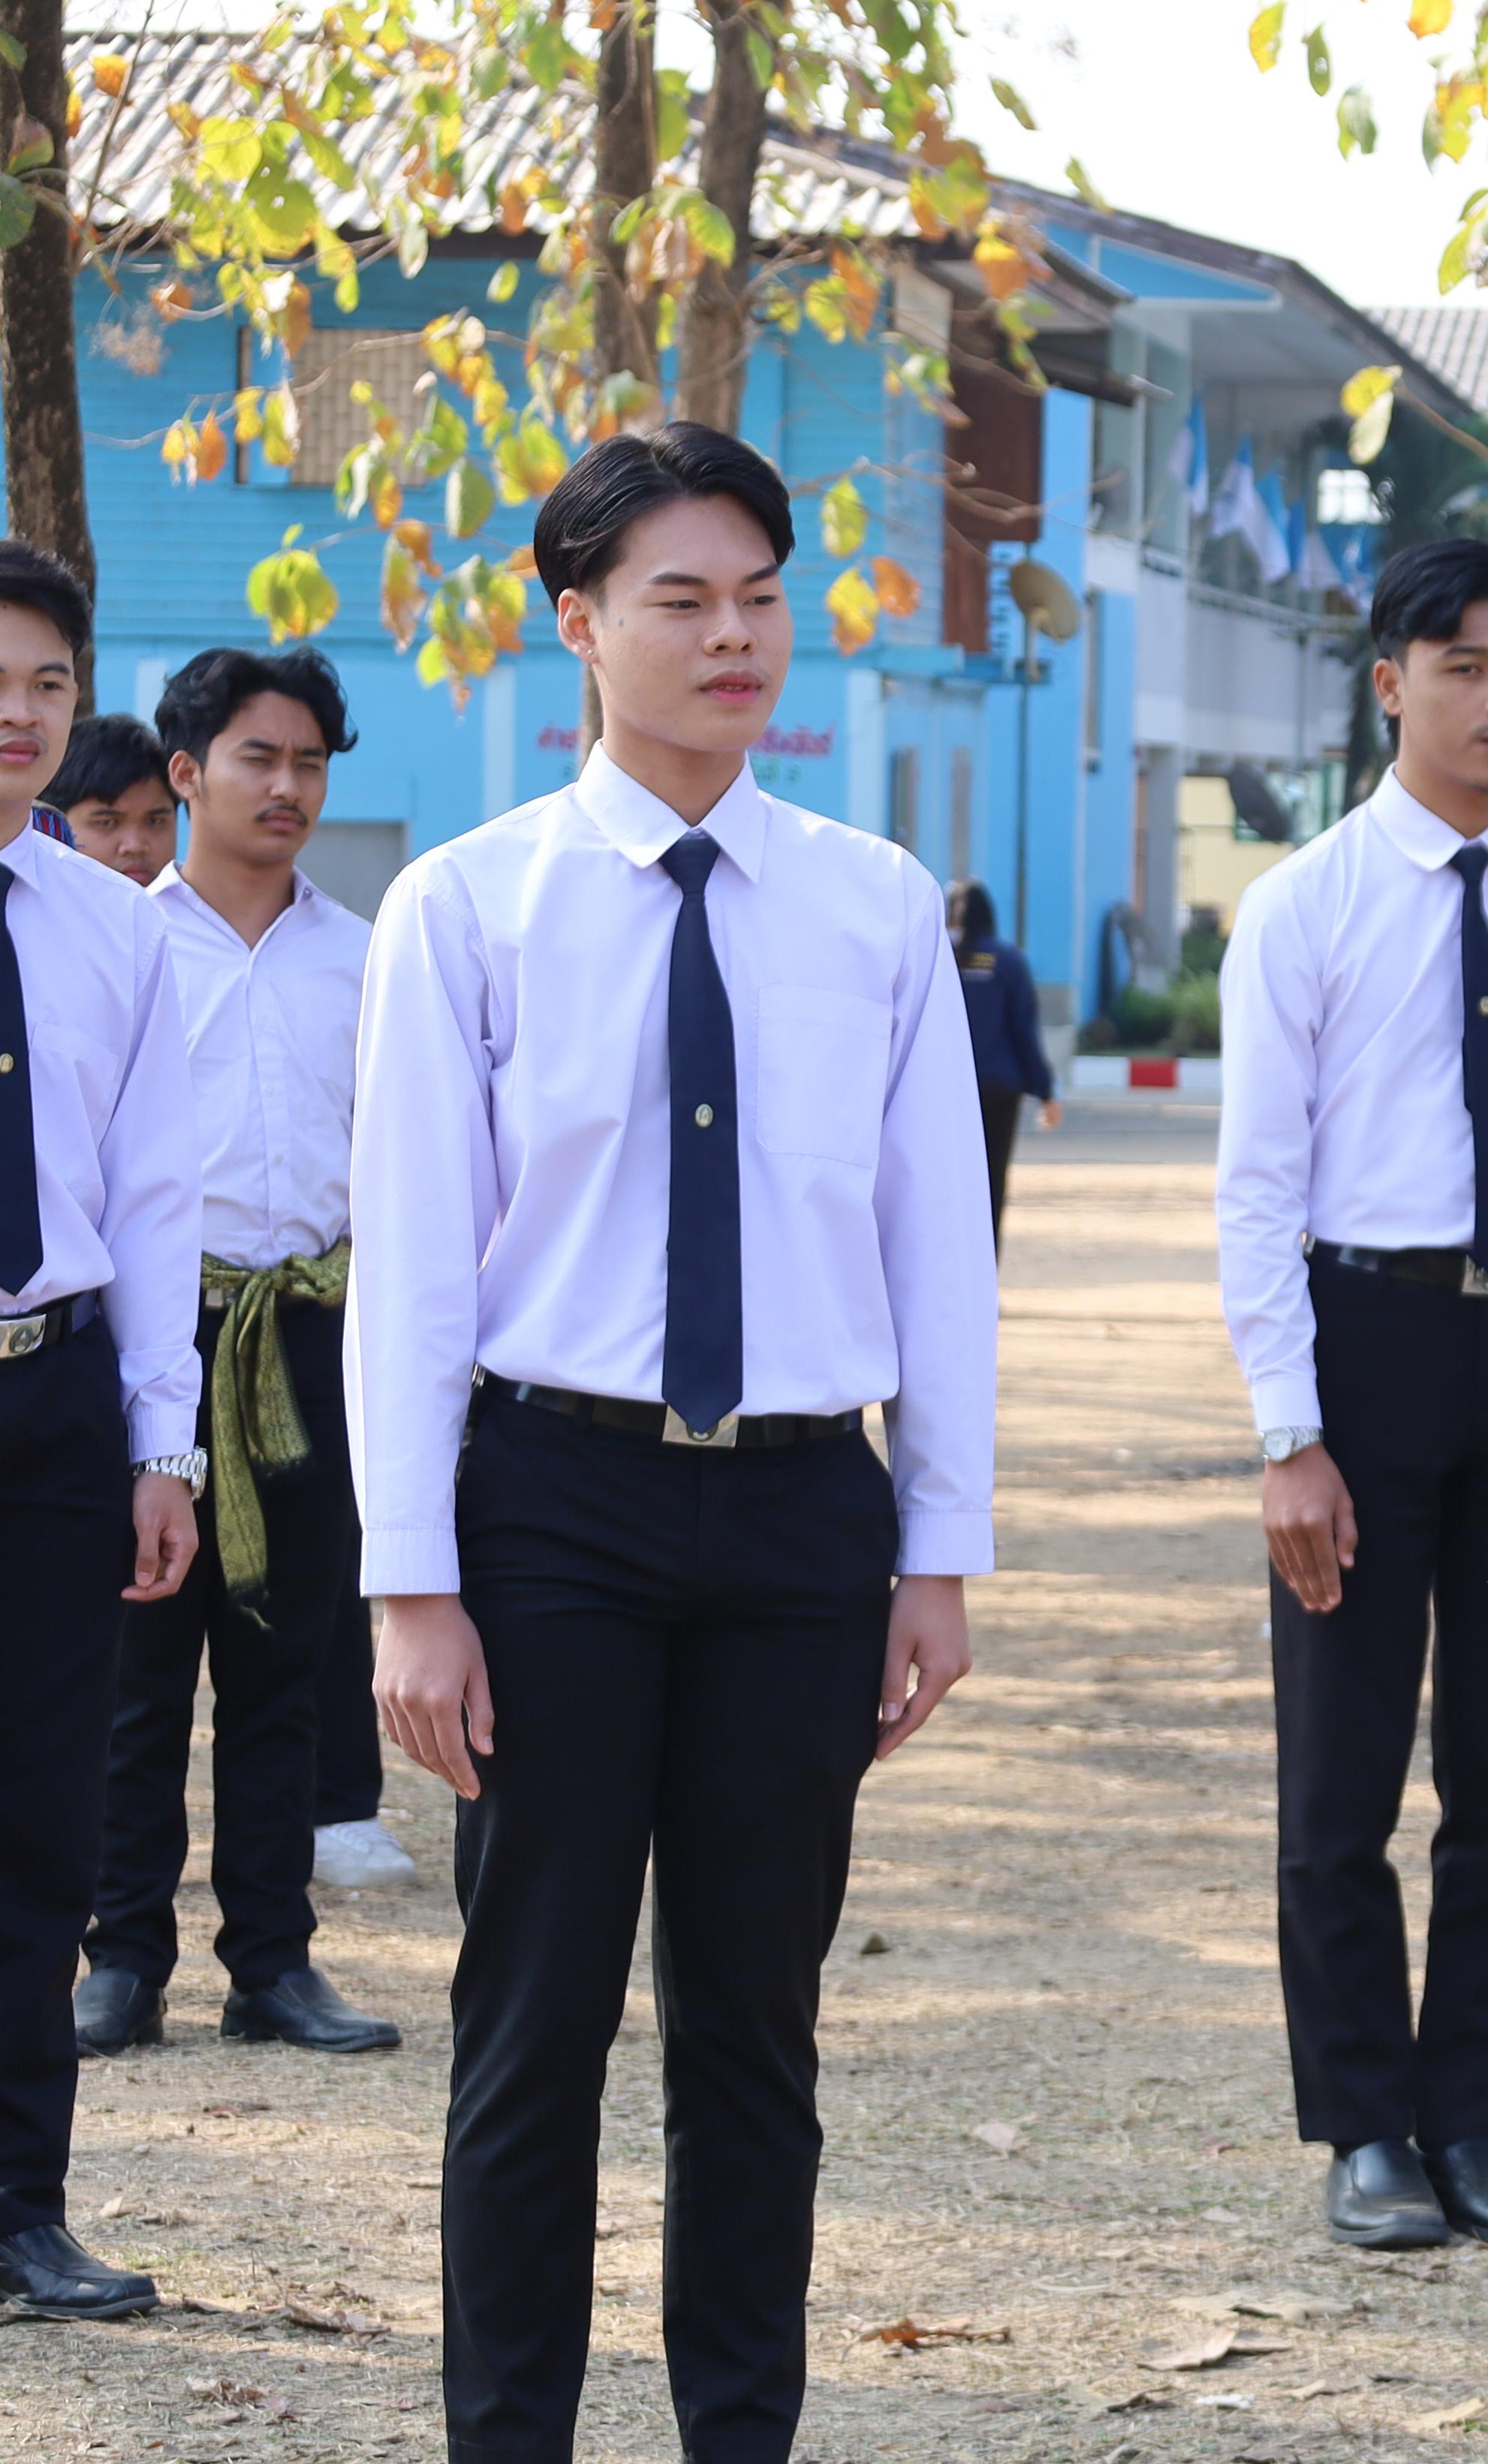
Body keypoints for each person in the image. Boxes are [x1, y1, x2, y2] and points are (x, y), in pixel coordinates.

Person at [354, 423, 994, 2462]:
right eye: (679, 600)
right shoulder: (466, 912)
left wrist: (939, 1551)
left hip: (807, 1514)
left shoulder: (878, 910)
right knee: (531, 2030)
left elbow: (938, 1254)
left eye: (760, 595)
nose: (735, 638)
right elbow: (420, 1286)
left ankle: (741, 2431)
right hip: (551, 1511)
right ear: (578, 628)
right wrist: (413, 1587)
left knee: (755, 2036)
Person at [1213, 536, 1488, 2255]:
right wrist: (1287, 1432)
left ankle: (1469, 2120)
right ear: (1390, 679)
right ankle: (1364, 2129)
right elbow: (1257, 1187)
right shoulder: (1303, 906)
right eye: (1467, 665)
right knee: (1337, 1782)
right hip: (1365, 1348)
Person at [77, 648, 399, 2063]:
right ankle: (122, 1960)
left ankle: (273, 1963)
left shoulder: (370, 951)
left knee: (289, 1666)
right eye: (261, 759)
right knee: (139, 1679)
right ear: (188, 773)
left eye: (313, 762)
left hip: (314, 1337)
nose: (289, 788)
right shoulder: (116, 942)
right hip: (156, 1336)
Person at [0, 544, 202, 2325]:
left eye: (49, 681)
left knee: (41, 1819)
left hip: (52, 1405)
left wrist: (165, 1443)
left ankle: (22, 2202)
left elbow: (152, 1202)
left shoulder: (111, 934)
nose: (18, 710)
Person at [950, 879, 1061, 1244]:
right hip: (1000, 1089)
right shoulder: (1008, 960)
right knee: (992, 1180)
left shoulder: (940, 959)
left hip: (949, 1090)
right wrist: (1045, 1090)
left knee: (949, 1182)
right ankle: (986, 1280)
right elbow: (1024, 1030)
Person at [48, 713, 176, 888]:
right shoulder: (15, 910)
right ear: (54, 826)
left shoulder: (197, 913)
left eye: (154, 822)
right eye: (107, 823)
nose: (135, 846)